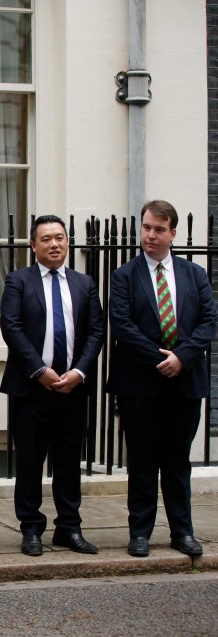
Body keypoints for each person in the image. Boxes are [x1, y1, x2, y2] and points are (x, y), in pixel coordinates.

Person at [108, 200, 216, 558]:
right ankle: (140, 532)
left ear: (173, 233)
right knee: (141, 460)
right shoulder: (124, 275)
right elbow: (122, 325)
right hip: (140, 383)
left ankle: (181, 533)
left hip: (184, 383)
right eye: (146, 227)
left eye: (158, 229)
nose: (150, 235)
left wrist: (182, 358)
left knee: (177, 461)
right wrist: (161, 359)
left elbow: (208, 323)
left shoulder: (194, 275)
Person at [0, 215, 104, 557]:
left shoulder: (84, 283)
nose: (54, 244)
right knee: (29, 462)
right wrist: (40, 370)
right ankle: (30, 529)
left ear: (68, 242)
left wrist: (80, 372)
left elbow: (95, 332)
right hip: (31, 388)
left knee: (69, 461)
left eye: (59, 237)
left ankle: (69, 528)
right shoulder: (18, 281)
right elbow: (11, 328)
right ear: (33, 245)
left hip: (72, 389)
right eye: (46, 239)